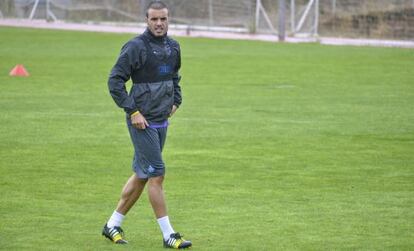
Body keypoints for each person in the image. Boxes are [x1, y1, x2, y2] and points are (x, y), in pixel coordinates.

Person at [102, 1, 192, 249]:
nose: (159, 23)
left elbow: (174, 77)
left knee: (142, 174)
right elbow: (115, 81)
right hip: (142, 123)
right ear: (146, 20)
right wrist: (132, 111)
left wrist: (177, 100)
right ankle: (168, 235)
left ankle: (112, 225)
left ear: (168, 19)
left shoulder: (174, 47)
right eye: (154, 19)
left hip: (162, 121)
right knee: (157, 174)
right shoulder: (135, 47)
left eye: (163, 19)